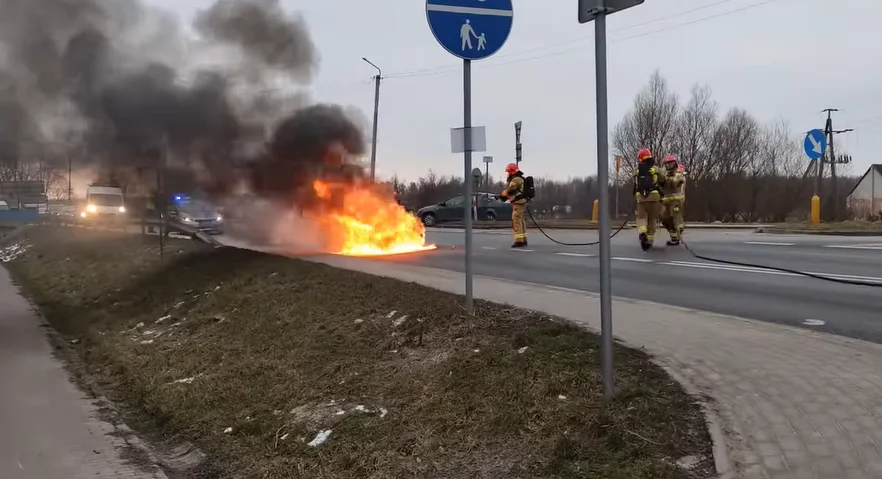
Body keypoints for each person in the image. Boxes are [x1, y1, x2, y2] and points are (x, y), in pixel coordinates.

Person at [632, 148, 662, 251]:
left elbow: (636, 183)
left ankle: (642, 232)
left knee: (641, 217)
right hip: (654, 197)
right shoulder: (655, 169)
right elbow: (663, 177)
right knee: (652, 219)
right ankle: (649, 240)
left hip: (641, 198)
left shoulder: (637, 170)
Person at [500, 162, 528, 248]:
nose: (508, 174)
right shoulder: (519, 178)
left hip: (519, 203)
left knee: (516, 221)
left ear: (512, 171)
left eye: (509, 171)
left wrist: (502, 194)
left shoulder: (516, 179)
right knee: (521, 220)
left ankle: (519, 241)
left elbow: (510, 190)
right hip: (521, 202)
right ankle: (523, 239)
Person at [660, 155, 686, 245]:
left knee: (675, 218)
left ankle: (677, 237)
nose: (669, 166)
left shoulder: (678, 174)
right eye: (667, 164)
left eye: (670, 164)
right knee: (664, 219)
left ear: (674, 164)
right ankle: (673, 235)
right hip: (666, 201)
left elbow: (674, 183)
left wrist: (667, 176)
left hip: (676, 202)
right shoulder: (664, 174)